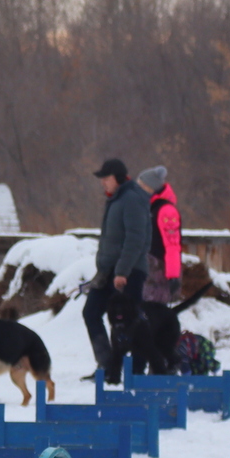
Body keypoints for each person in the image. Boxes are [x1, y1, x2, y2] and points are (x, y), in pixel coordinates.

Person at [84, 158, 152, 385]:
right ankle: (106, 364)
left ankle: (139, 370)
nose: (102, 182)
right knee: (91, 312)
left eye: (106, 178)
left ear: (119, 177)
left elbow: (136, 239)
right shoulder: (116, 199)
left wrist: (122, 271)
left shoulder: (132, 199)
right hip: (109, 272)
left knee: (133, 322)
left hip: (128, 272)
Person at [137, 166, 183, 304]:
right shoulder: (150, 208)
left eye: (141, 186)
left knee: (154, 314)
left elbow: (172, 244)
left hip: (160, 271)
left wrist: (173, 275)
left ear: (150, 187)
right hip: (149, 271)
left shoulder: (166, 211)